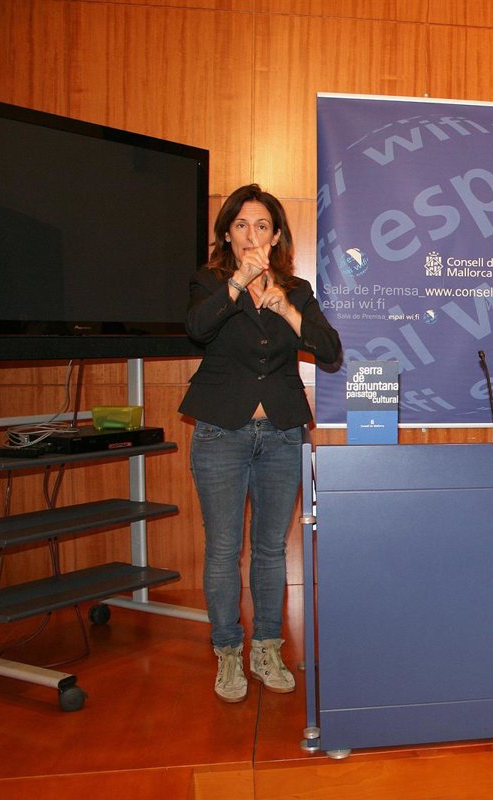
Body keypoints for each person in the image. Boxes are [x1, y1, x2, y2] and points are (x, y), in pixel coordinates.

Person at [180, 184, 342, 703]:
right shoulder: (208, 282)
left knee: (271, 548)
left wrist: (288, 310)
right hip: (220, 432)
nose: (252, 234)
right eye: (242, 225)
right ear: (227, 234)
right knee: (224, 548)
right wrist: (238, 284)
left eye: (263, 226)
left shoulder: (297, 288)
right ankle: (228, 650)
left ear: (276, 237)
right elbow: (196, 329)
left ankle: (267, 647)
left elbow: (331, 351)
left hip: (282, 432)